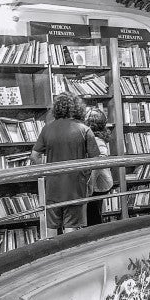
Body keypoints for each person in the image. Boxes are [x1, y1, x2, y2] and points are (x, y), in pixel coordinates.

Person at [35, 93, 99, 233]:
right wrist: (90, 183)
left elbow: (34, 156)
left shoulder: (47, 128)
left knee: (51, 228)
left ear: (57, 108)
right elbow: (96, 161)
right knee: (71, 228)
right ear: (77, 108)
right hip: (75, 186)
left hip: (52, 186)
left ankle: (53, 254)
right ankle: (71, 255)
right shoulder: (84, 129)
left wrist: (45, 171)